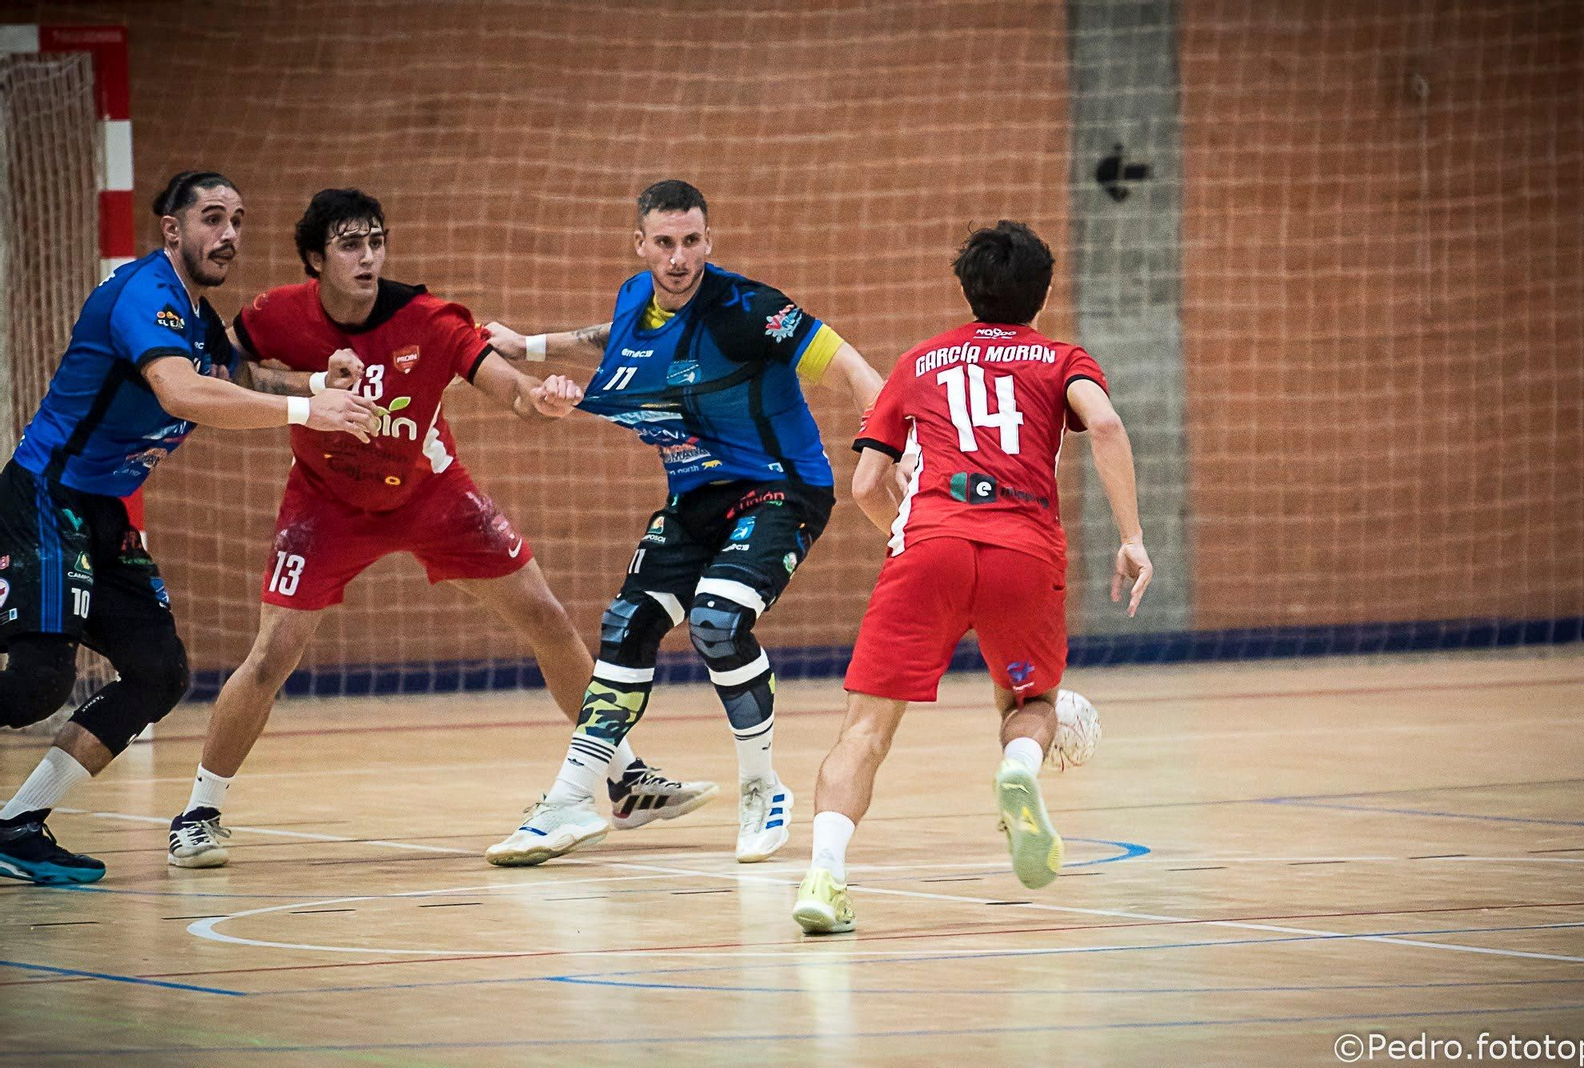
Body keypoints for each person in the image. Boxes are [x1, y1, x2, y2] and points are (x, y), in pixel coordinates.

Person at [164, 188, 717, 869]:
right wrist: (309, 385)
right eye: (349, 245)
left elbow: (506, 387)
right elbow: (226, 366)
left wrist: (540, 401)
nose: (368, 257)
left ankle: (624, 779)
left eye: (376, 242)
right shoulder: (275, 314)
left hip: (431, 491)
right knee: (273, 654)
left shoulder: (428, 319)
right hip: (325, 502)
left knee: (546, 617)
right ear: (316, 259)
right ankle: (199, 811)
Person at [479, 178, 882, 866]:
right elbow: (614, 341)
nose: (678, 257)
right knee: (625, 627)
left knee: (717, 622)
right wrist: (529, 348)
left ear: (708, 242)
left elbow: (850, 368)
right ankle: (572, 799)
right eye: (664, 243)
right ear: (640, 245)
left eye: (691, 241)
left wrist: (883, 446)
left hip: (781, 490)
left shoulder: (749, 310)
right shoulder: (637, 297)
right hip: (696, 497)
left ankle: (762, 788)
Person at [0, 171, 379, 885]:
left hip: (100, 514)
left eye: (237, 220)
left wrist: (316, 386)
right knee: (37, 685)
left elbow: (236, 376)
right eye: (212, 218)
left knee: (159, 672)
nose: (229, 234)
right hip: (47, 495)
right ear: (173, 230)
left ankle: (18, 824)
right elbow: (183, 390)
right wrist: (306, 414)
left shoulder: (199, 319)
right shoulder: (146, 295)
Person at [790, 221, 1154, 933]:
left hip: (929, 546)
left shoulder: (919, 361)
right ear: (1042, 296)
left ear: (968, 289)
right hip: (1023, 547)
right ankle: (1019, 761)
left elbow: (866, 483)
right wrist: (1133, 538)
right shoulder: (1060, 357)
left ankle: (823, 878)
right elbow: (1105, 427)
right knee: (1032, 698)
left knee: (863, 732)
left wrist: (910, 541)